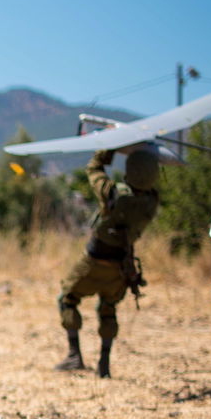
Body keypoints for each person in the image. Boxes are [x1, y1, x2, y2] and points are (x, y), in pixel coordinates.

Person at [55, 147, 160, 378]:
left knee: (67, 298)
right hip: (122, 267)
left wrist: (108, 147)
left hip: (94, 261)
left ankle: (74, 355)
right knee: (108, 308)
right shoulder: (152, 201)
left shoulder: (114, 193)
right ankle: (104, 363)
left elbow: (93, 169)